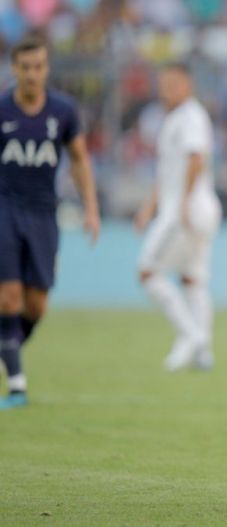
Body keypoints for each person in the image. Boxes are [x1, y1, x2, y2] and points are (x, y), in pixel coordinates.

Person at [0, 35, 101, 409]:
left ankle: (7, 350)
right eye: (24, 67)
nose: (31, 74)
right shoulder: (2, 109)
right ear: (15, 69)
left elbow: (78, 159)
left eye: (38, 67)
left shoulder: (63, 111)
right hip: (5, 209)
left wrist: (90, 207)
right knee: (8, 295)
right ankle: (16, 384)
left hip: (44, 214)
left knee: (37, 305)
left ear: (46, 68)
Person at [134, 63, 221, 372]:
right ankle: (203, 352)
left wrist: (182, 202)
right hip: (195, 206)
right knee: (192, 278)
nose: (166, 90)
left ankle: (191, 335)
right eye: (164, 83)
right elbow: (169, 171)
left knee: (148, 272)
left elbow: (196, 158)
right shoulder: (176, 118)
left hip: (186, 209)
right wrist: (149, 206)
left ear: (188, 85)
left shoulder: (190, 117)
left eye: (173, 84)